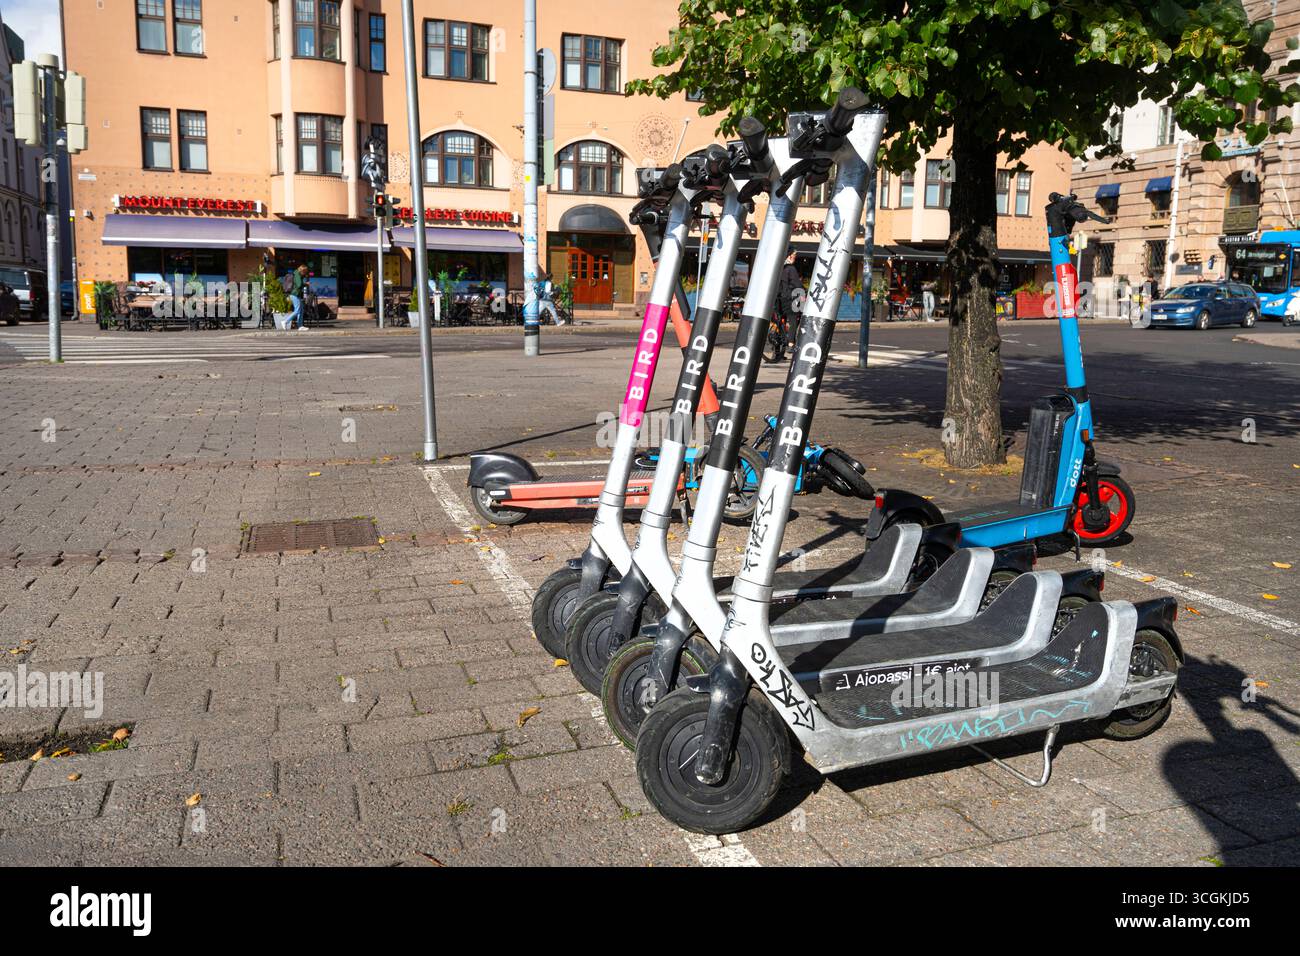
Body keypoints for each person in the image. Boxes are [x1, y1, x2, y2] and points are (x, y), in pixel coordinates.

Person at [771, 249, 802, 364]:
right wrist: (804, 292)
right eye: (794, 255)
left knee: (780, 322)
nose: (795, 257)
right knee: (794, 318)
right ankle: (790, 344)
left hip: (777, 299)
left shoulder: (778, 268)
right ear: (788, 256)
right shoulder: (791, 269)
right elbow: (797, 284)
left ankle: (777, 352)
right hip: (789, 298)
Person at [287, 264, 310, 330]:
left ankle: (300, 326)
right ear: (303, 270)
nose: (306, 273)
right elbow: (299, 285)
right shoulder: (297, 275)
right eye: (305, 271)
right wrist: (306, 284)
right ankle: (285, 321)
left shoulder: (298, 274)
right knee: (297, 310)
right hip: (294, 294)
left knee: (301, 310)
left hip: (297, 294)